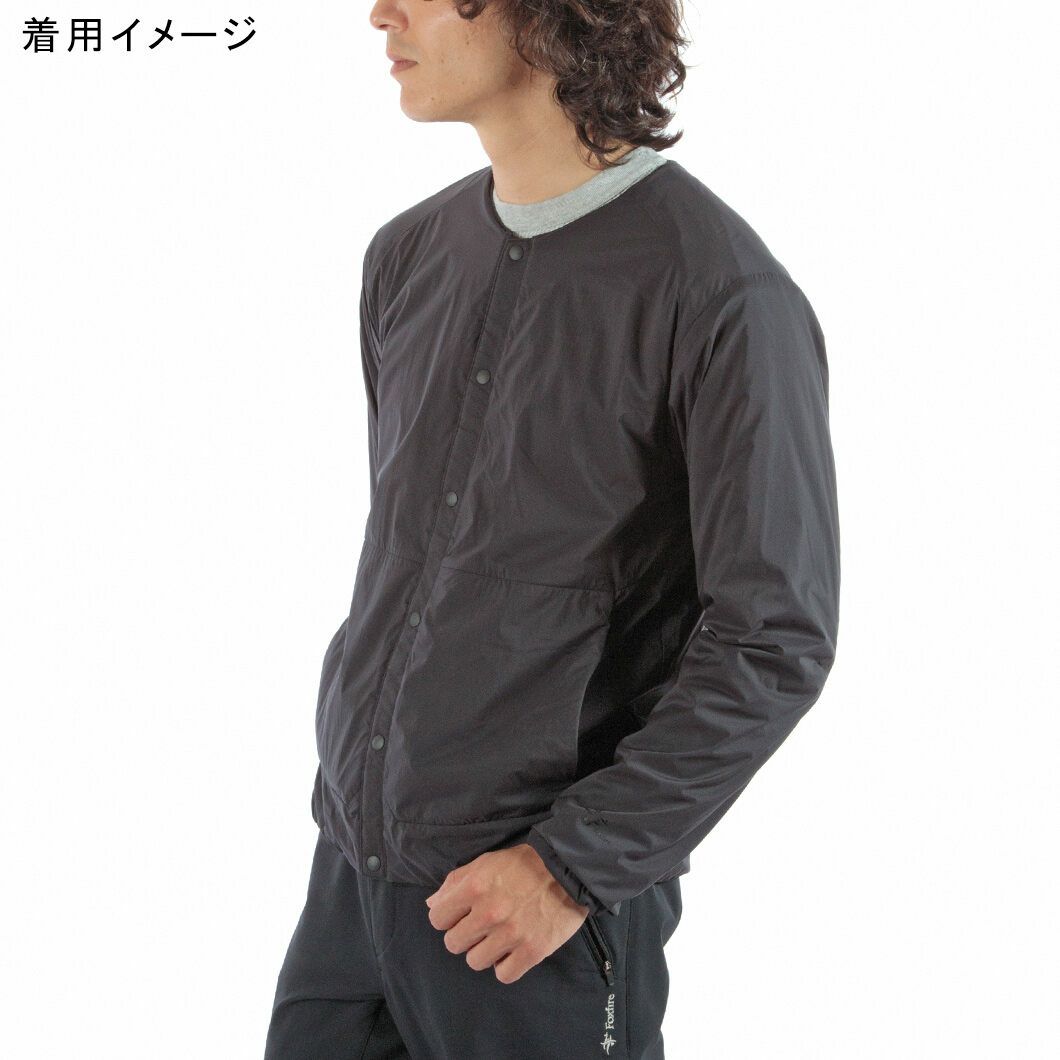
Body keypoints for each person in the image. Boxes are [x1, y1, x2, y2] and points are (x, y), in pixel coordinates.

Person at [264, 1, 840, 1056]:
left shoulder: (721, 291)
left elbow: (773, 635)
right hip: (352, 884)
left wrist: (571, 865)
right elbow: (414, 563)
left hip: (537, 913)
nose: (380, 13)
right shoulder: (407, 256)